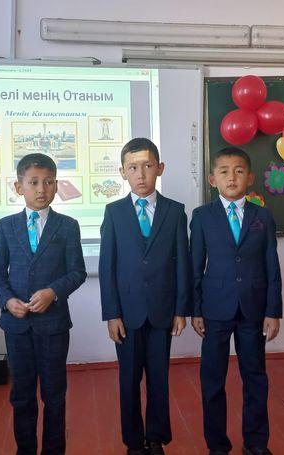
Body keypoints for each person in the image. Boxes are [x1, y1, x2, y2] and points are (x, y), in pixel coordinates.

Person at [0, 152, 87, 455]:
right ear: (19, 187)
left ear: (56, 185)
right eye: (33, 182)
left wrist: (52, 292)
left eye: (48, 182)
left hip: (53, 325)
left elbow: (77, 272)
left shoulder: (67, 226)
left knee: (54, 395)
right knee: (22, 395)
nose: (41, 189)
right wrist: (8, 301)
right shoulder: (5, 226)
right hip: (16, 326)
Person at [99, 137, 191, 455]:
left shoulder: (175, 212)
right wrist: (111, 314)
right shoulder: (114, 213)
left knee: (159, 379)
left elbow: (182, 263)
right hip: (126, 314)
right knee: (128, 380)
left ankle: (156, 438)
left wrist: (181, 310)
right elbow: (107, 267)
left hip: (163, 311)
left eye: (148, 166)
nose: (141, 174)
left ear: (160, 168)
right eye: (133, 167)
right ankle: (134, 441)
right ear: (122, 172)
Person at [190, 147, 282, 455]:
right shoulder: (202, 217)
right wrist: (196, 309)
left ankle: (256, 444)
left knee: (255, 377)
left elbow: (272, 266)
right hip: (215, 309)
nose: (232, 177)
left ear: (250, 177)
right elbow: (195, 266)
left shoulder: (262, 216)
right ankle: (217, 446)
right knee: (213, 380)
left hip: (253, 308)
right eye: (224, 172)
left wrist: (273, 311)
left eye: (239, 171)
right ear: (213, 179)